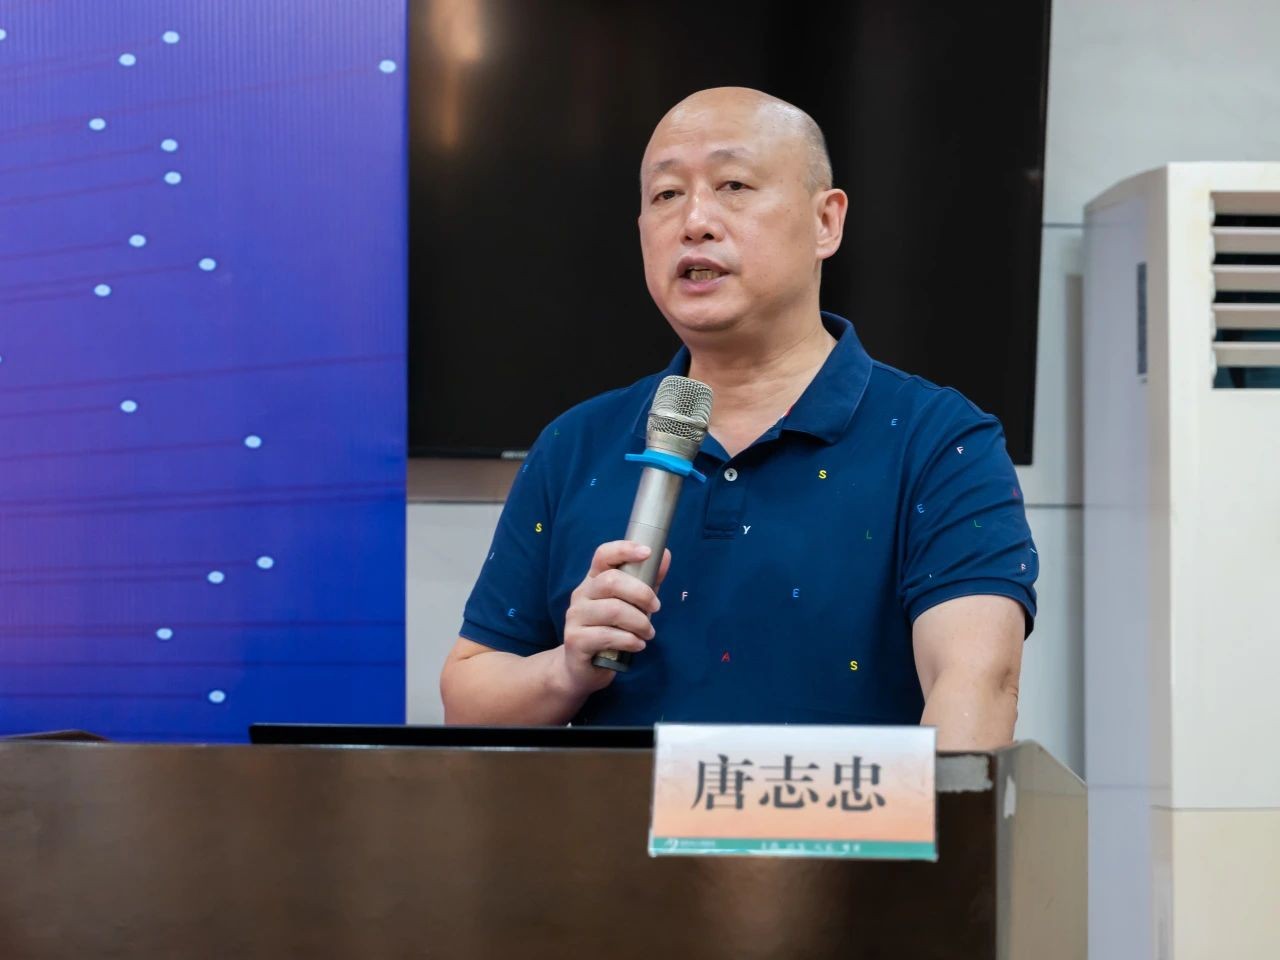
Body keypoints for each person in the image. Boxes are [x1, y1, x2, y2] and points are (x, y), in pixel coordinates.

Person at [440, 87, 1037, 749]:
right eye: (667, 194)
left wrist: (938, 820)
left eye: (733, 185)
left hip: (850, 820)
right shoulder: (575, 444)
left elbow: (977, 686)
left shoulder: (940, 440)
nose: (695, 221)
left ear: (826, 222)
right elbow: (468, 695)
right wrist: (565, 671)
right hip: (612, 822)